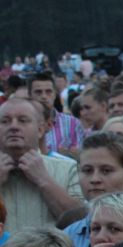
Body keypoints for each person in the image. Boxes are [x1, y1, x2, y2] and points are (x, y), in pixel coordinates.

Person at [0, 98, 83, 231]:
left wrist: (44, 180)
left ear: (40, 130)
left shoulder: (68, 169)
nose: (13, 126)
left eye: (23, 120)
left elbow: (80, 223)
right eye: (5, 121)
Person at [28, 72, 86, 156]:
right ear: (29, 95)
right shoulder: (21, 124)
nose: (44, 96)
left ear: (55, 94)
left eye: (48, 92)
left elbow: (80, 158)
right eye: (38, 92)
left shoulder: (73, 123)